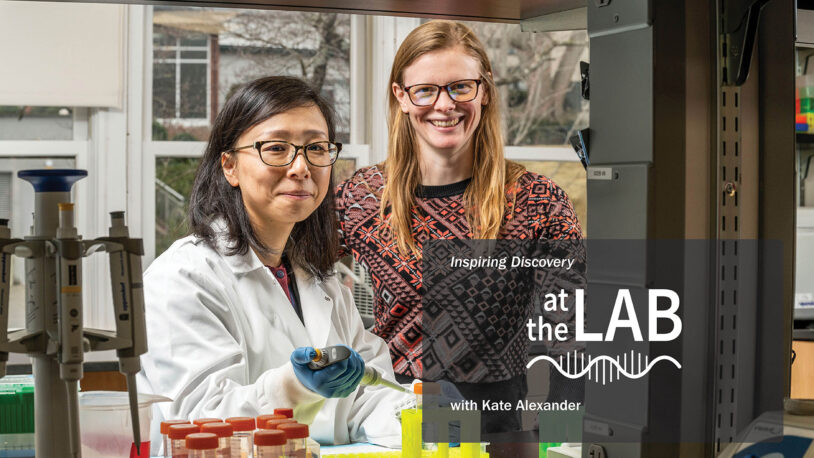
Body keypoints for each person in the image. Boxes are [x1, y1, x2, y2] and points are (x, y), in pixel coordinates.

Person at [335, 20, 584, 434]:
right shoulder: (362, 195)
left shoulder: (537, 200)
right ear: (402, 97)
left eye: (460, 87)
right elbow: (290, 278)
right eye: (426, 90)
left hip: (498, 427)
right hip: (391, 422)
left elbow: (572, 332)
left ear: (483, 91)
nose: (444, 104)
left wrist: (560, 435)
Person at [138, 76, 405, 454]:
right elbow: (198, 423)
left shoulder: (321, 284)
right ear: (229, 166)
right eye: (276, 148)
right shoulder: (181, 280)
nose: (301, 167)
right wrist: (292, 387)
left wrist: (439, 421)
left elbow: (367, 394)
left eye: (316, 148)